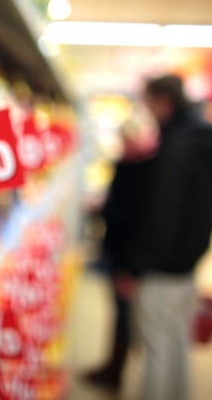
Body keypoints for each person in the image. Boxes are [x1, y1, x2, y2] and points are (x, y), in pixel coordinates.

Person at [115, 74, 212, 400]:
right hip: (187, 265)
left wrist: (134, 267)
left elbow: (161, 218)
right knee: (176, 343)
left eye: (148, 104)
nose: (147, 112)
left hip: (159, 270)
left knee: (156, 350)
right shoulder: (205, 142)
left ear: (163, 102)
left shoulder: (175, 148)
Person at [86, 115, 158, 389]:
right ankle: (112, 367)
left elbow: (132, 219)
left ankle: (115, 372)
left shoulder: (144, 170)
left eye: (127, 140)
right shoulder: (131, 165)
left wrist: (132, 267)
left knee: (124, 317)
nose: (123, 145)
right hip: (118, 251)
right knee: (118, 314)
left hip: (127, 256)